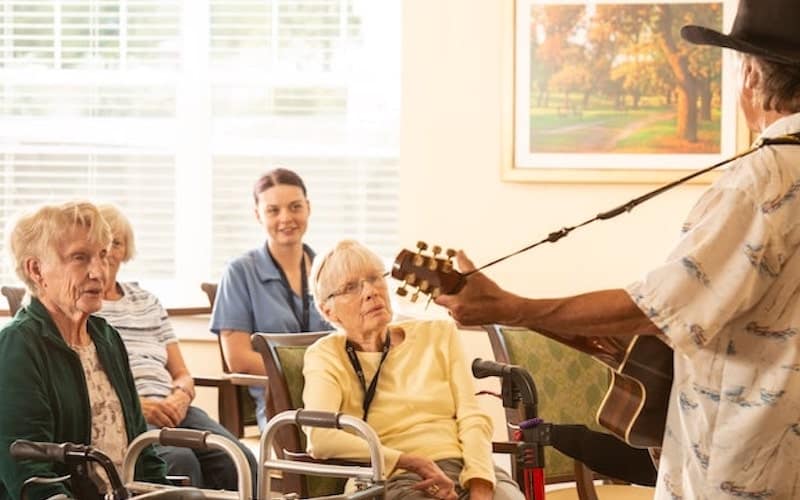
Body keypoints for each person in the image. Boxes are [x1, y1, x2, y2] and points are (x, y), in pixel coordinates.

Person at [436, 1, 800, 497]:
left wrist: (508, 308)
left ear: (752, 75)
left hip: (742, 464)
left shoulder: (761, 180)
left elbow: (658, 307)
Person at [303, 240, 523, 500]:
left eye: (375, 278)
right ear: (328, 310)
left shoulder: (438, 333)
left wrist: (480, 485)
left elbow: (472, 417)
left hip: (466, 465)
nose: (371, 291)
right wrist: (410, 462)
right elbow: (319, 438)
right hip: (391, 475)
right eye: (351, 287)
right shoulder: (326, 355)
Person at [0, 201, 167, 500]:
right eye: (80, 257)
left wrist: (164, 493)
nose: (98, 271)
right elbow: (28, 469)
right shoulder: (18, 346)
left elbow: (142, 448)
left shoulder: (106, 337)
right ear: (36, 269)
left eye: (102, 255)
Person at [94, 204, 258, 493]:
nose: (109, 251)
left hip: (174, 408)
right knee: (180, 462)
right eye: (101, 242)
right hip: (127, 412)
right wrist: (137, 405)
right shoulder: (85, 306)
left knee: (239, 458)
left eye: (116, 242)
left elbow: (182, 373)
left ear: (125, 249)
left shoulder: (148, 302)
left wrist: (180, 397)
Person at [210, 168, 331, 431]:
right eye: (273, 210)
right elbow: (239, 359)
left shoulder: (330, 268)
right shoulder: (239, 272)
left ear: (308, 208)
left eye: (295, 207)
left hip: (338, 398)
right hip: (282, 408)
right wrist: (309, 376)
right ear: (258, 215)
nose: (286, 218)